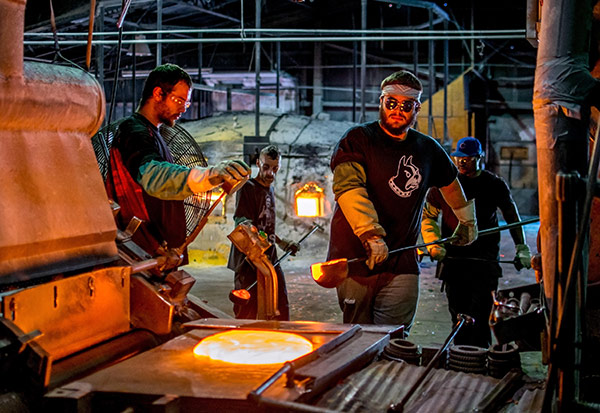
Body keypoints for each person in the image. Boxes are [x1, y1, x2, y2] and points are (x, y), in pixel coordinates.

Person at [327, 70, 477, 331]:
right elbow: (349, 188)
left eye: (406, 105)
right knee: (358, 336)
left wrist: (467, 221)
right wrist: (371, 235)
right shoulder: (358, 140)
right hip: (356, 260)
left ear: (416, 108)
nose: (398, 110)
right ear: (381, 102)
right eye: (391, 103)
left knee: (395, 339)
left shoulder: (428, 149)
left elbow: (451, 186)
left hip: (402, 261)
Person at [106, 63, 250, 272]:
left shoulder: (153, 134)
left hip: (156, 253)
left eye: (187, 103)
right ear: (158, 93)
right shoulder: (134, 131)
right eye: (179, 100)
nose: (183, 108)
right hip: (141, 252)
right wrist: (211, 174)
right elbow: (153, 176)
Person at [421, 136, 532, 348]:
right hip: (454, 262)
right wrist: (433, 241)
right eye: (458, 158)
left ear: (479, 157)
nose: (462, 162)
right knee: (458, 315)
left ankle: (480, 359)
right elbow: (429, 217)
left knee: (480, 315)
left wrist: (521, 247)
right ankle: (461, 359)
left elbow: (511, 216)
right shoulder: (445, 185)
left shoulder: (493, 184)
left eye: (468, 158)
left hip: (484, 262)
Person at [227, 145, 300, 320]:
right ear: (258, 163)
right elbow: (242, 221)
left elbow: (265, 228)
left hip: (268, 255)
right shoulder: (248, 187)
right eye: (266, 167)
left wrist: (282, 243)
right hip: (247, 258)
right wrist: (257, 242)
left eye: (275, 169)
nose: (270, 173)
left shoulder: (270, 190)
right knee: (247, 310)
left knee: (280, 305)